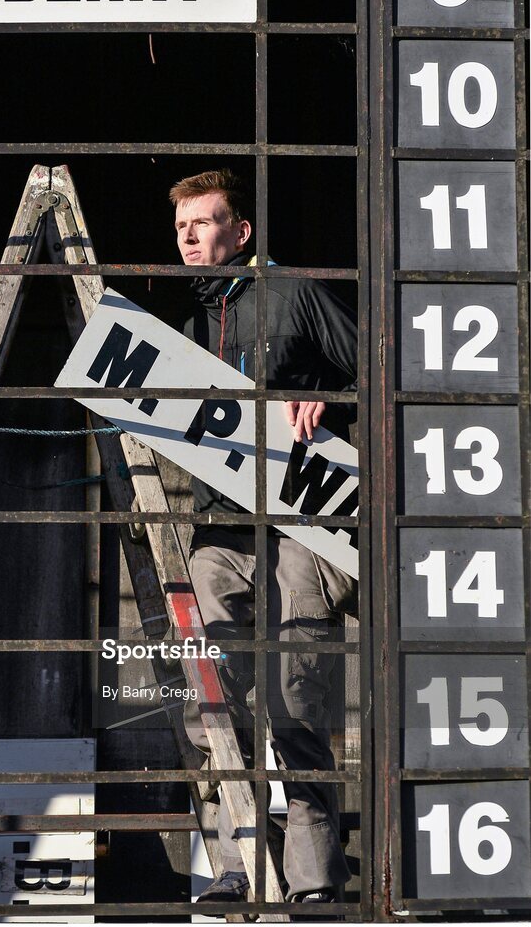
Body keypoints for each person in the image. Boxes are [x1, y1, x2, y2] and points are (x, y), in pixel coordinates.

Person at [170, 169, 358, 907]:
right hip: (216, 530)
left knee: (294, 702)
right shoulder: (187, 327)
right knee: (213, 706)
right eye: (181, 225)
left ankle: (313, 882)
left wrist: (326, 396)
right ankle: (237, 867)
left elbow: (378, 367)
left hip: (297, 527)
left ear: (239, 232)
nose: (188, 237)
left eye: (203, 223)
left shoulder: (297, 293)